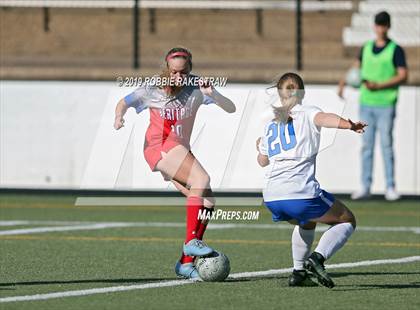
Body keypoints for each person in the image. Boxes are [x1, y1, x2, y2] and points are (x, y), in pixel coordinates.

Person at [114, 47, 236, 279]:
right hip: (158, 147)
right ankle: (192, 241)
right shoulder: (154, 87)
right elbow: (124, 102)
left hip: (179, 150)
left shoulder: (198, 86)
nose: (178, 77)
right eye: (174, 72)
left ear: (189, 69)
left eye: (183, 72)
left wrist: (214, 94)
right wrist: (119, 116)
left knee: (208, 201)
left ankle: (185, 262)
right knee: (202, 179)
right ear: (167, 69)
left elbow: (231, 108)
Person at [256, 72, 366, 288]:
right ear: (302, 92)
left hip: (271, 197)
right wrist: (349, 125)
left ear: (279, 93)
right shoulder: (307, 112)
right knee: (346, 220)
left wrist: (258, 146)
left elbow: (262, 161)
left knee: (307, 221)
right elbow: (325, 119)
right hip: (299, 193)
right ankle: (317, 259)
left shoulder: (271, 123)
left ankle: (298, 273)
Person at [338, 11, 408, 201]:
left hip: (386, 103)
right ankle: (365, 186)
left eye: (383, 24)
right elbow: (356, 67)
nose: (380, 28)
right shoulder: (366, 47)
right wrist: (343, 82)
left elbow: (403, 75)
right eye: (378, 24)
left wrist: (379, 85)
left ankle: (390, 186)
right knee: (367, 146)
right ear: (374, 26)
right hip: (367, 103)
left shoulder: (395, 49)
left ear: (388, 26)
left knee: (386, 145)